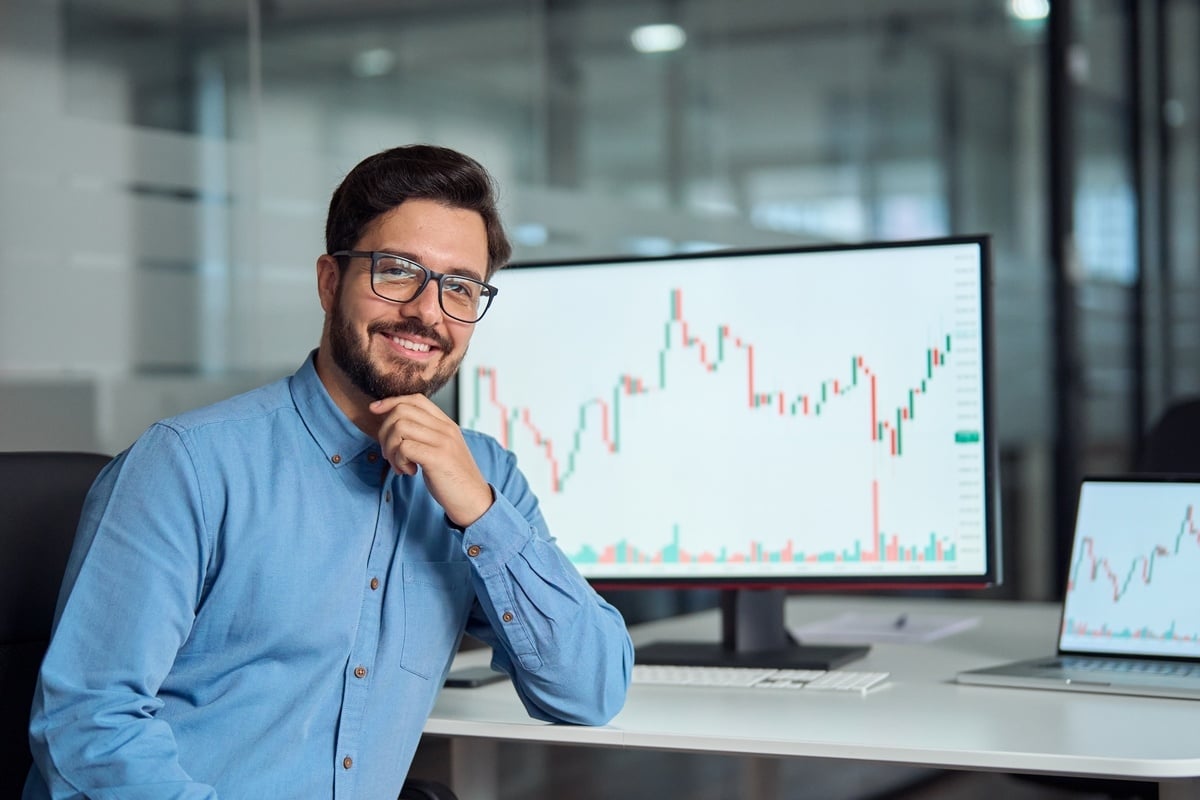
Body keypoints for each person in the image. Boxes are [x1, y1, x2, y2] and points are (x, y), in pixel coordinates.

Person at [25, 144, 634, 799]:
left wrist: (479, 512)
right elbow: (88, 731)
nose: (429, 313)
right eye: (398, 272)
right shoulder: (190, 464)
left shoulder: (482, 475)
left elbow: (590, 690)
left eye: (459, 287)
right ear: (328, 281)